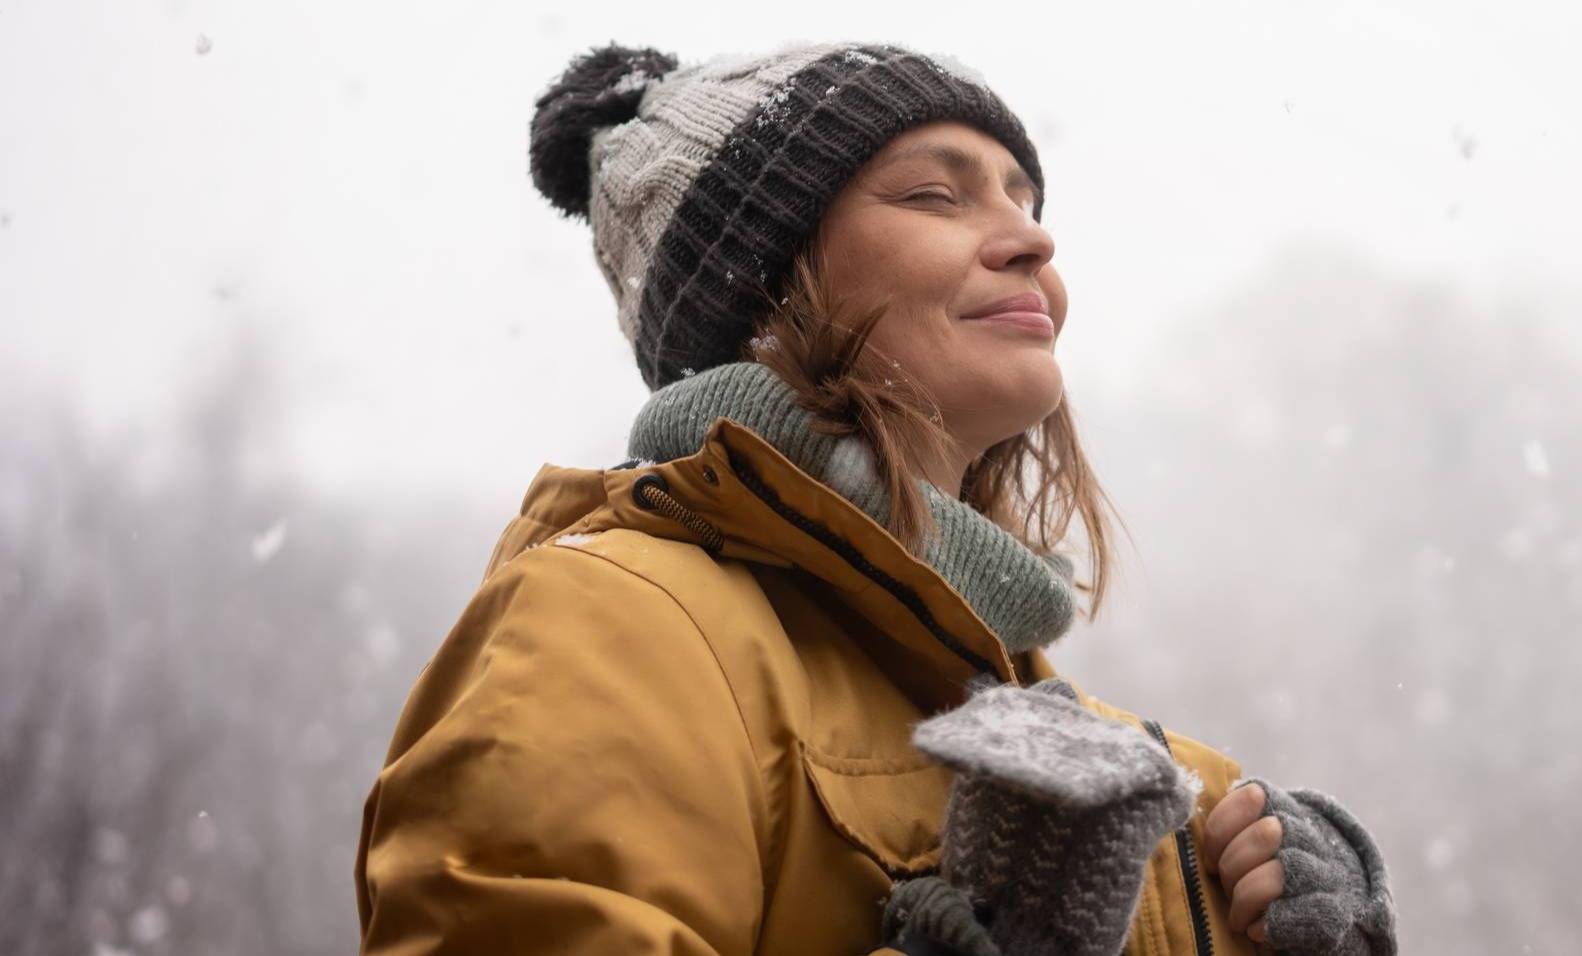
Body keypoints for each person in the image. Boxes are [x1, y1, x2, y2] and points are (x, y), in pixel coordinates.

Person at [352, 40, 1397, 956]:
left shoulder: (1114, 756)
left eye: (1025, 203)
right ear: (765, 289)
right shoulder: (616, 625)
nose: (1032, 240)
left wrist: (1260, 918)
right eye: (936, 197)